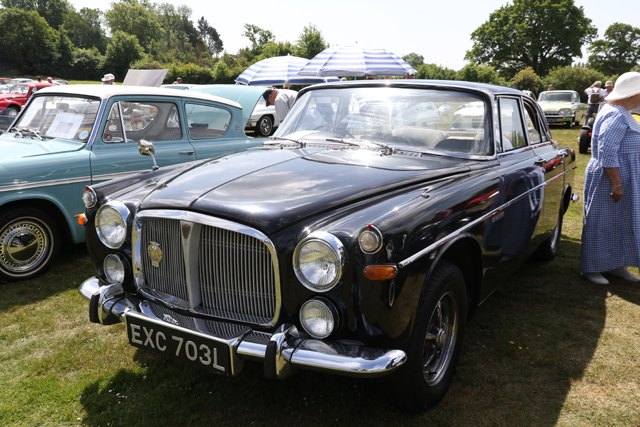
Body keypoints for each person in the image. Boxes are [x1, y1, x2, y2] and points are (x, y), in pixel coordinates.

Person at [581, 72, 640, 285]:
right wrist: (616, 184)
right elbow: (607, 152)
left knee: (620, 222)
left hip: (622, 178)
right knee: (601, 223)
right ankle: (592, 268)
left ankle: (616, 265)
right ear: (634, 94)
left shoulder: (620, 111)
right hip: (609, 179)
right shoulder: (615, 114)